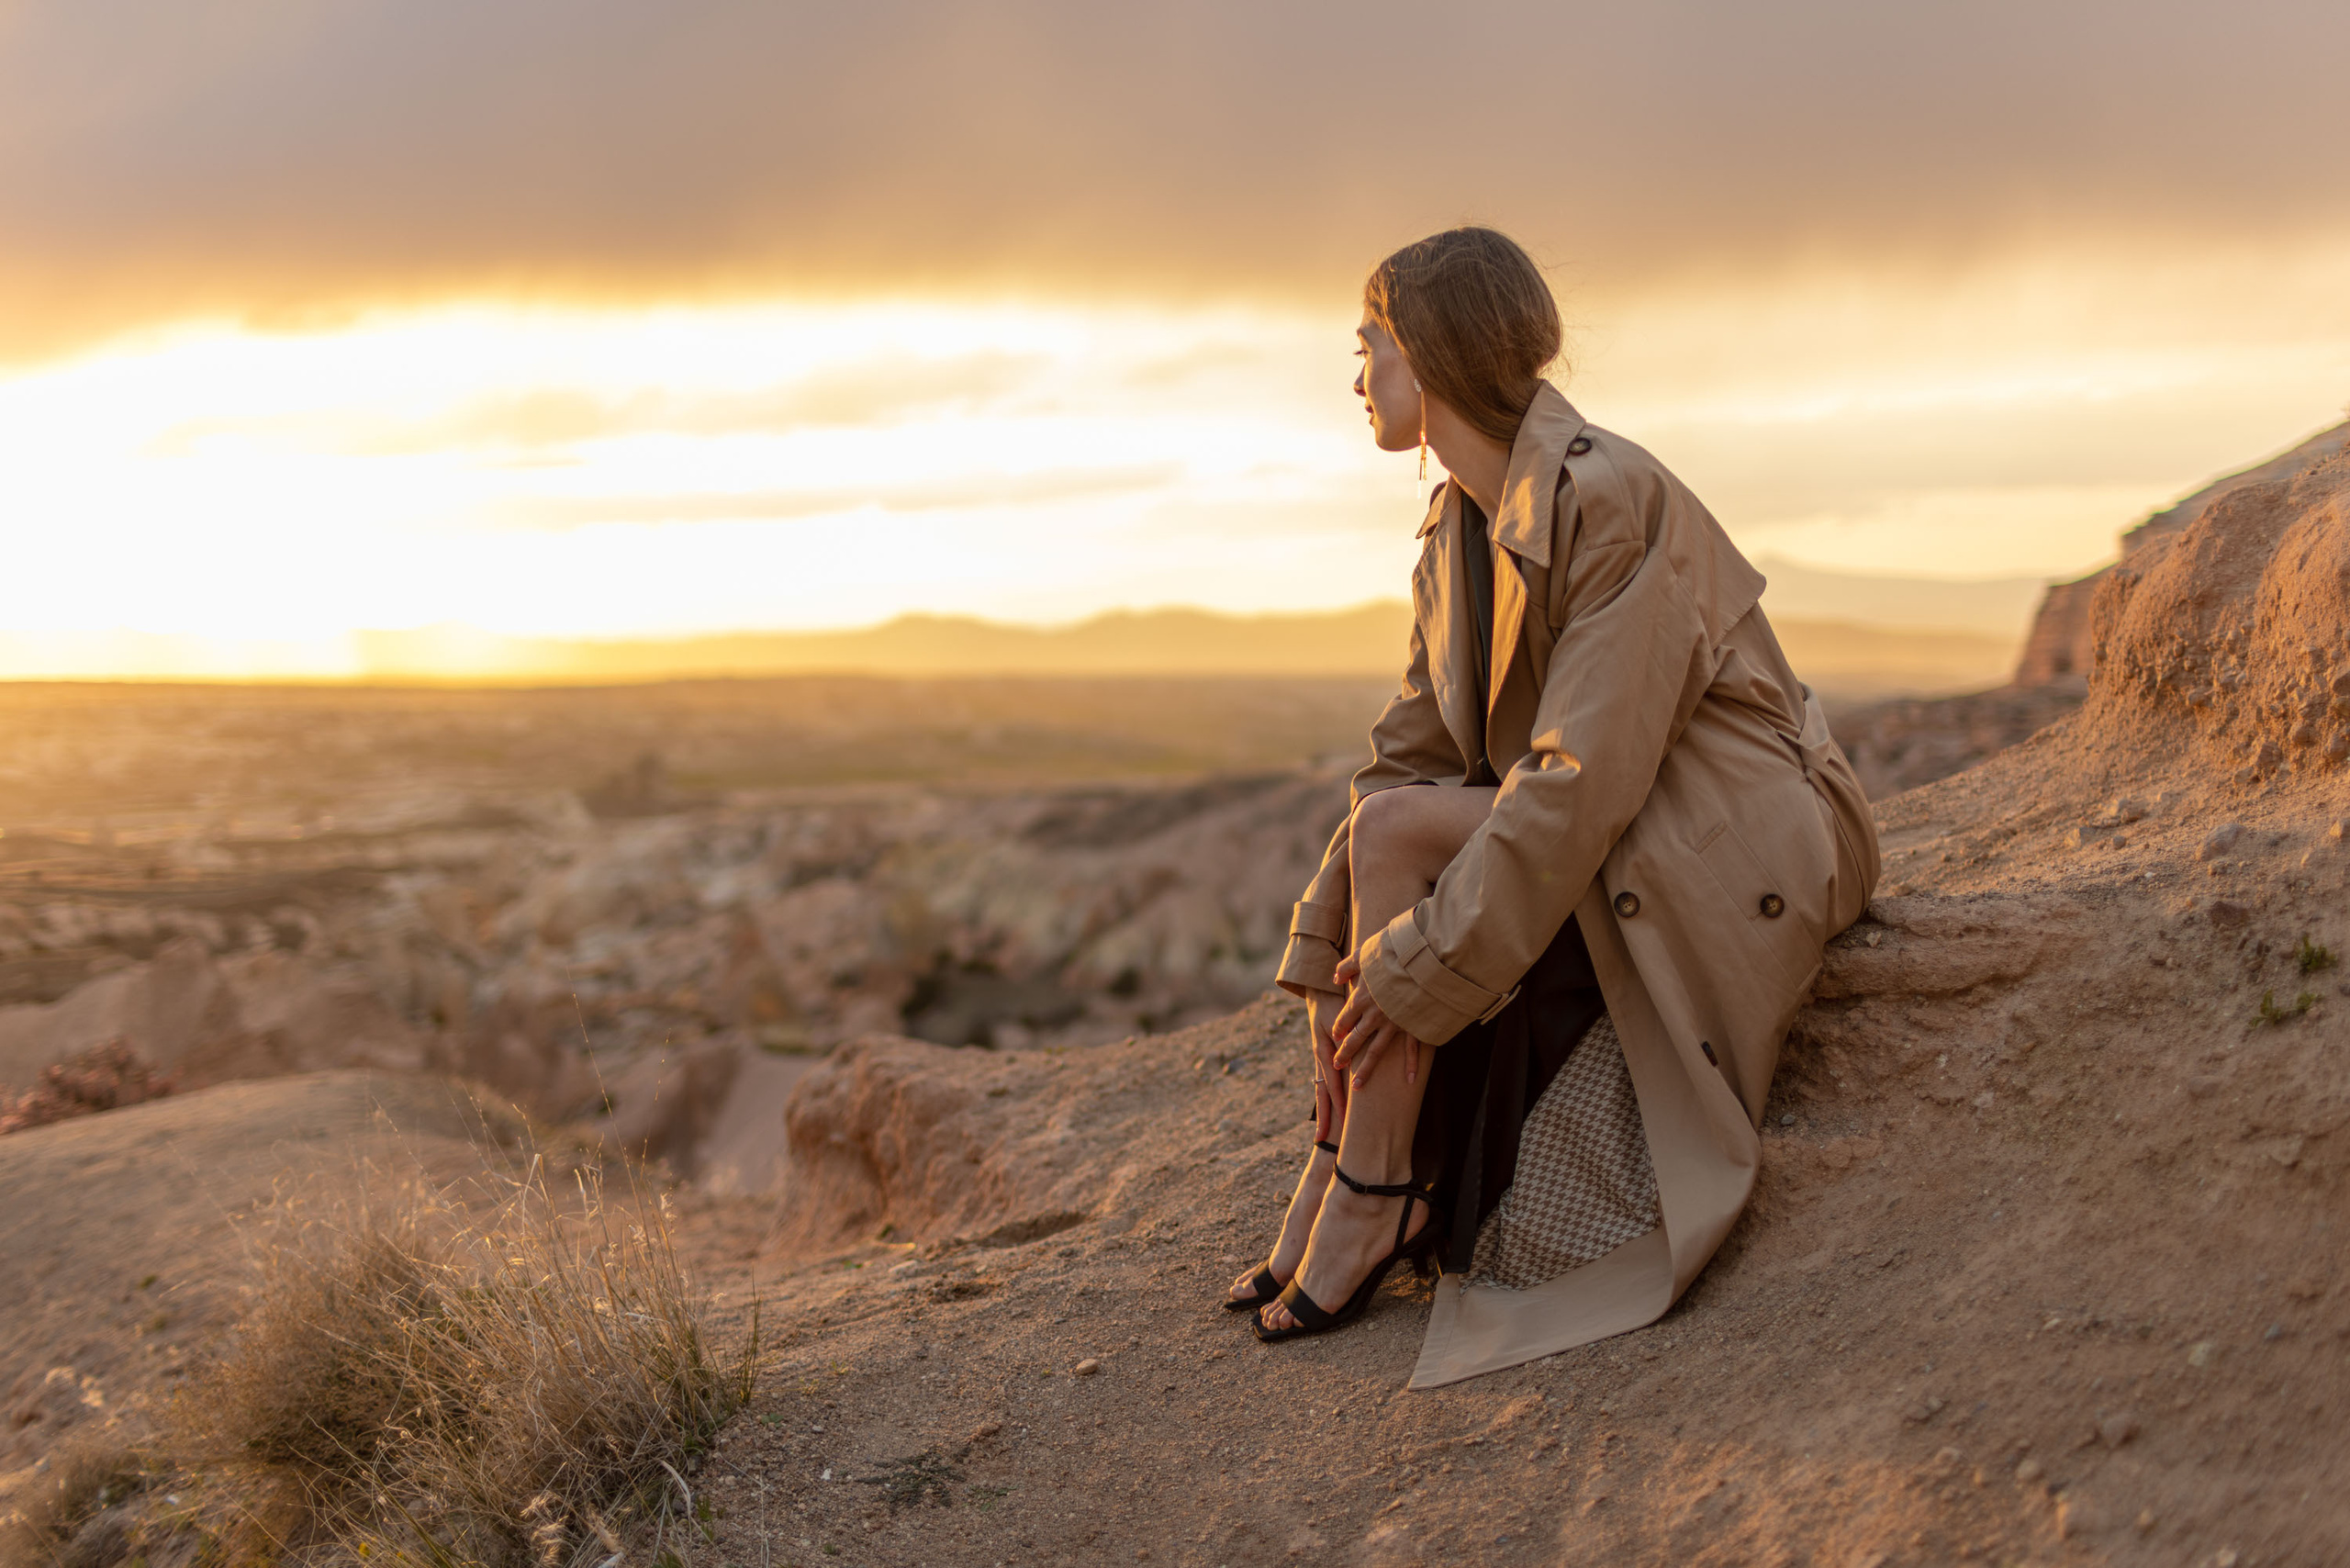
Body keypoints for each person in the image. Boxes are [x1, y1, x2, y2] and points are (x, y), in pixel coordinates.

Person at [1224, 227, 1879, 1387]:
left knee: (1403, 842)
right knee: (1385, 827)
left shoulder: (1605, 496)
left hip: (1743, 824)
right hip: (1632, 804)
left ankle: (1370, 1192)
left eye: (1367, 344)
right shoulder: (1456, 524)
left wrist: (1412, 970)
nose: (1356, 374)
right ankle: (1353, 1168)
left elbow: (1579, 779)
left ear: (1425, 355)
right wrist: (1341, 978)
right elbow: (1408, 760)